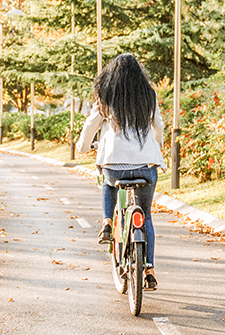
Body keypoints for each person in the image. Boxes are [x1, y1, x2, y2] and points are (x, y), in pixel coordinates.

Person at [77, 53, 166, 291]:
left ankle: (107, 222)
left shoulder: (106, 96)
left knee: (107, 182)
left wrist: (82, 147)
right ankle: (149, 270)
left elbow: (90, 126)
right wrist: (158, 146)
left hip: (114, 165)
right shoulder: (149, 96)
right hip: (146, 166)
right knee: (145, 215)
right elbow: (158, 126)